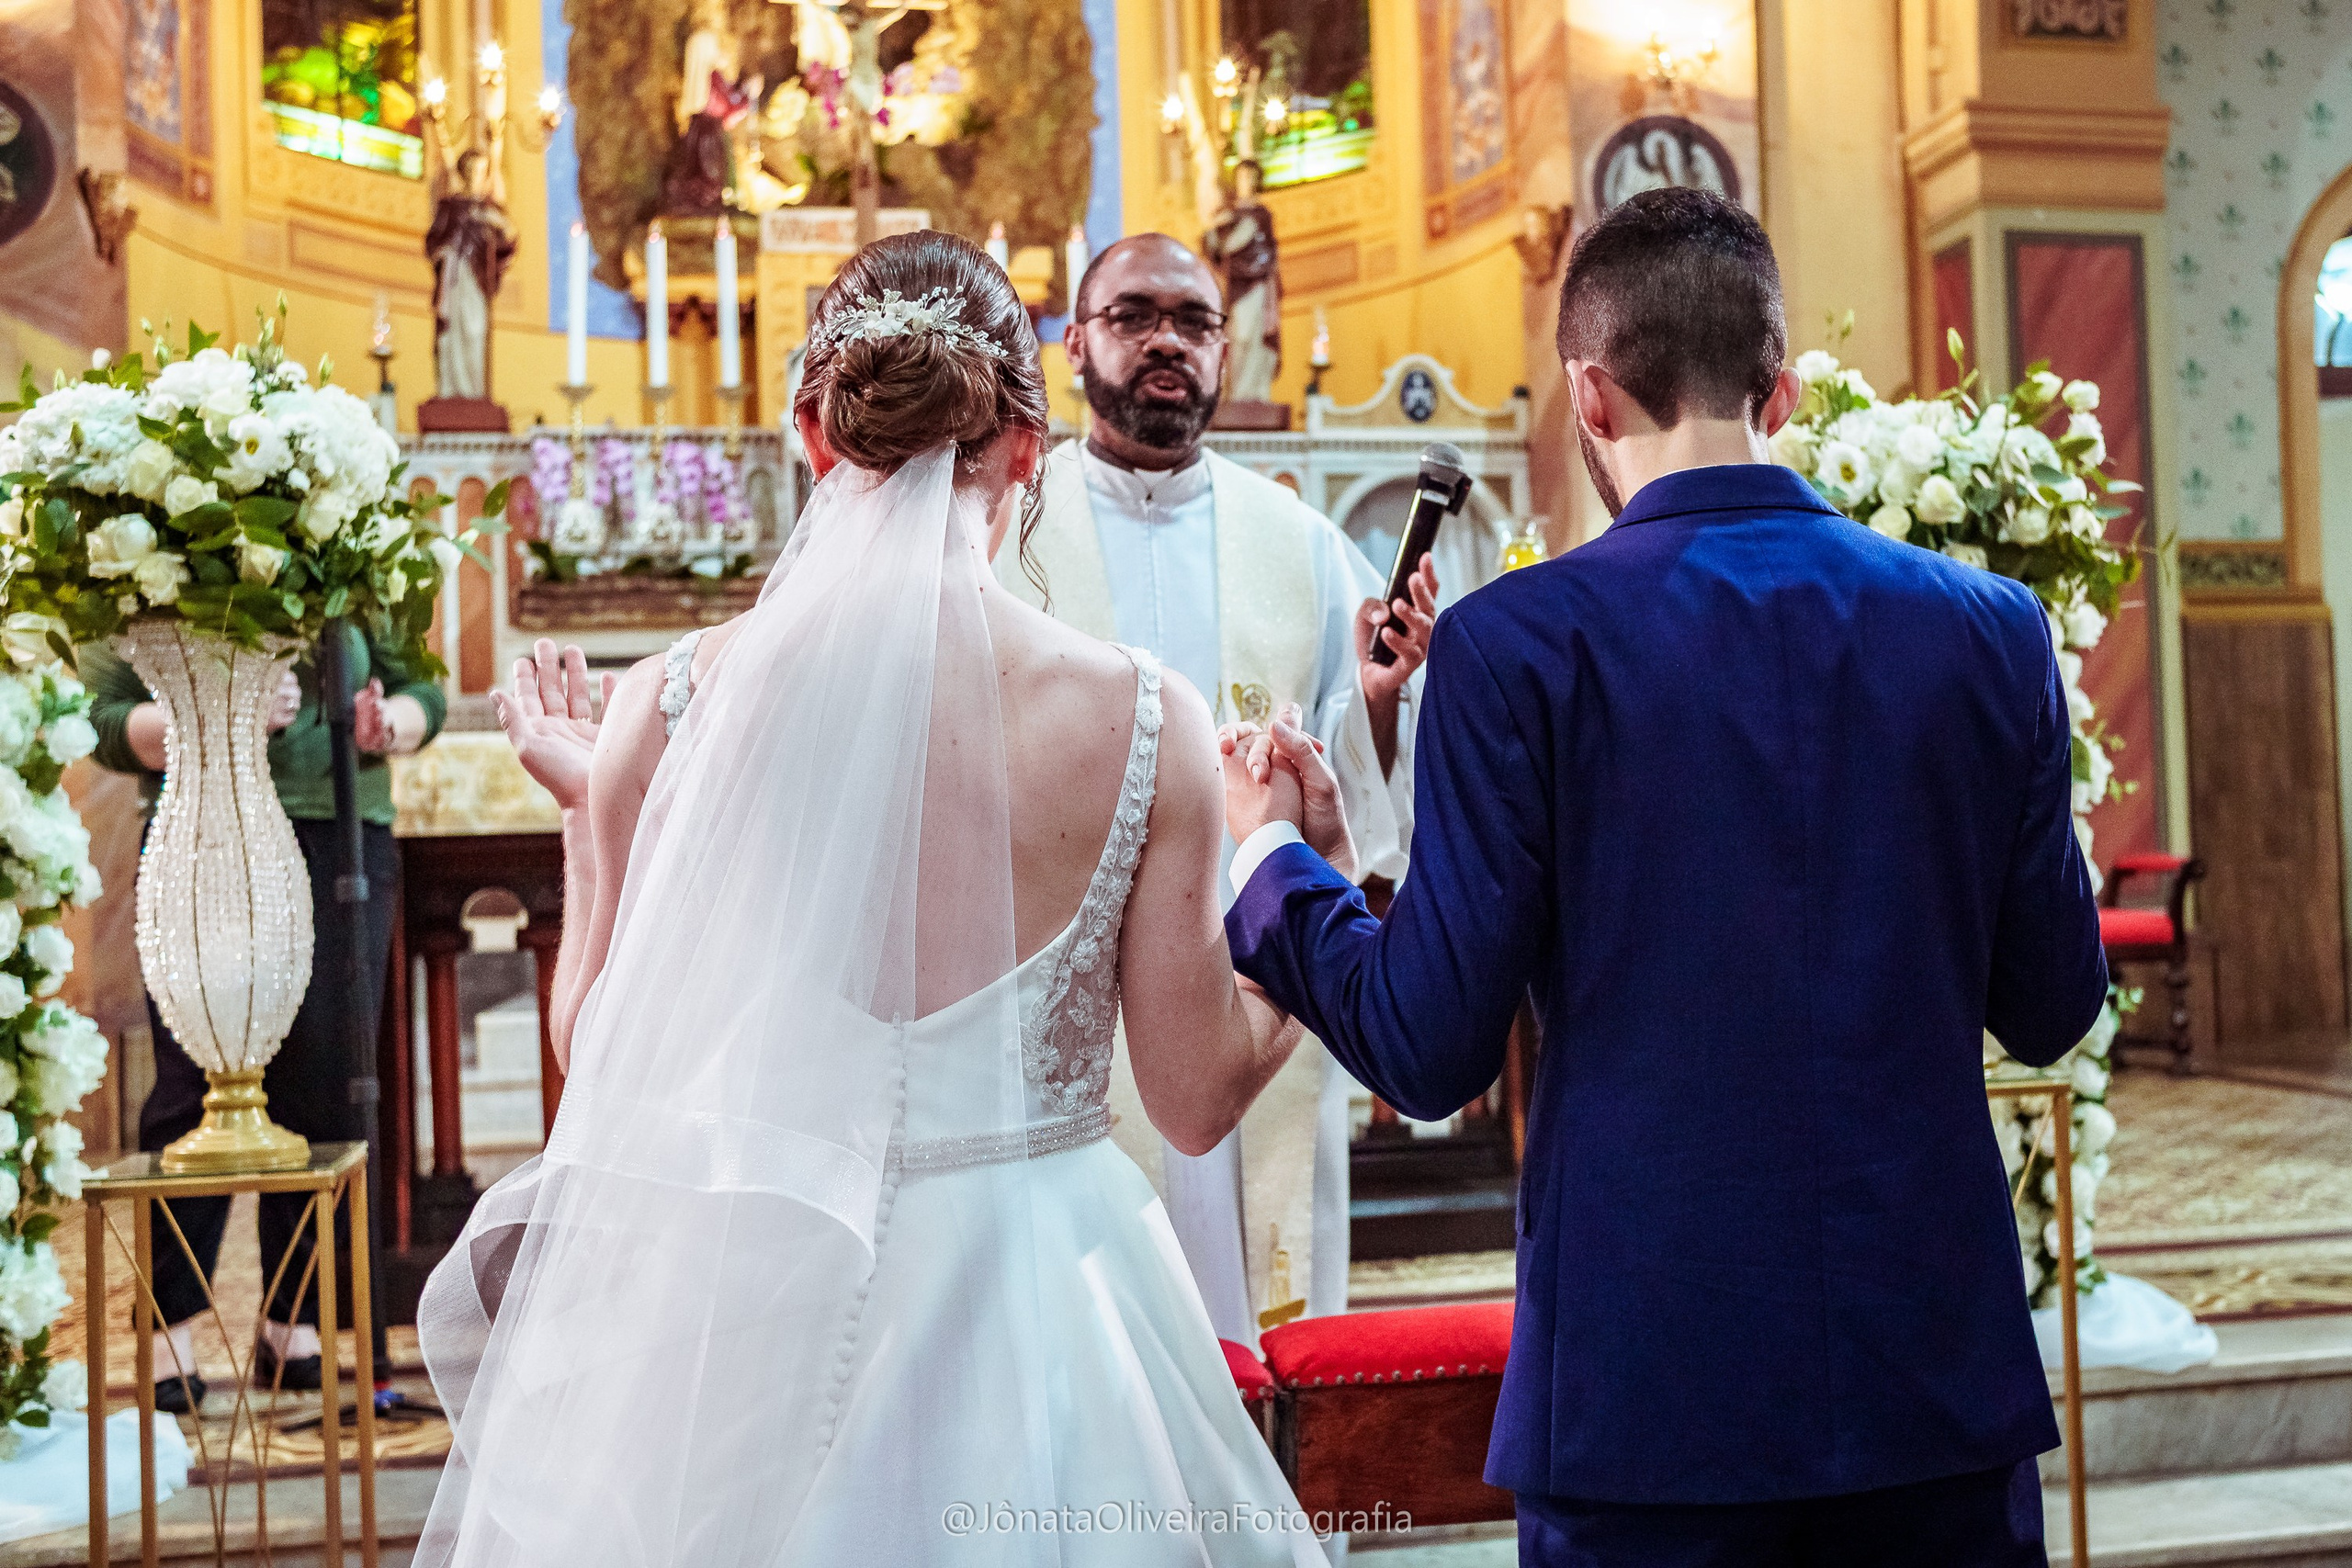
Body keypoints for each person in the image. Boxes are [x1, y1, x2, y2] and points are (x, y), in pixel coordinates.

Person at [1218, 187, 2109, 1565]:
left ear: (1587, 391)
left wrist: (1272, 858)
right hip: (1932, 1383)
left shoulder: (1518, 645)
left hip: (1648, 1392)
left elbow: (1431, 1044)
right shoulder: (1991, 630)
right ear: (1781, 383)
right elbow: (2054, 1003)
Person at [417, 231, 1327, 1567]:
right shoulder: (1144, 718)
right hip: (1051, 1298)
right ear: (1029, 445)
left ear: (807, 431)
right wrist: (1294, 879)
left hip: (760, 1302)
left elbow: (601, 1054)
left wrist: (583, 823)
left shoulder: (666, 708)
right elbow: (1194, 1098)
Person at [1013, 231, 1438, 1349]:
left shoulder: (1296, 541)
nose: (1167, 341)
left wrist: (1384, 699)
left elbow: (1356, 787)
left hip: (1252, 982)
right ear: (1075, 343)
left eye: (1194, 321)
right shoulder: (1008, 530)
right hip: (1068, 994)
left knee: (1262, 1327)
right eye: (1134, 316)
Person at [84, 628, 442, 1411]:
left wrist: (394, 722)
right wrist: (215, 715)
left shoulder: (356, 537)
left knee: (325, 1082)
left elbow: (424, 690)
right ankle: (169, 1330)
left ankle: (295, 1324)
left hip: (338, 830)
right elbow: (103, 719)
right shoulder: (160, 547)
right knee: (193, 1078)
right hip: (201, 829)